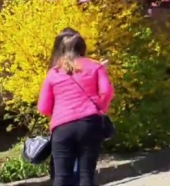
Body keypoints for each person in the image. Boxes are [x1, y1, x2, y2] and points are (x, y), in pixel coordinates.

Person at [38, 28, 114, 186]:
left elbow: (43, 107)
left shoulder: (54, 72)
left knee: (61, 177)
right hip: (89, 124)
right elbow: (106, 91)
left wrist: (60, 113)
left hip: (62, 127)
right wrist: (99, 108)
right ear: (82, 47)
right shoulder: (95, 67)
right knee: (86, 175)